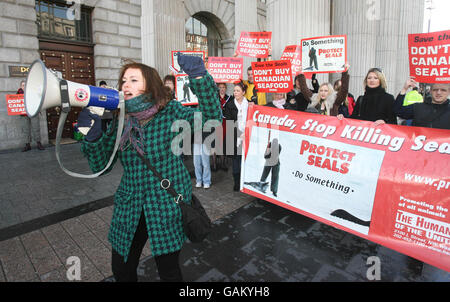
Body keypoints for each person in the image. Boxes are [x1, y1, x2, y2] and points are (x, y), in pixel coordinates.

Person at [77, 54, 221, 282]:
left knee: (169, 271)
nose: (126, 85)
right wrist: (93, 139)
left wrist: (199, 77)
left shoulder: (171, 112)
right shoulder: (120, 119)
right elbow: (101, 166)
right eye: (123, 80)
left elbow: (212, 118)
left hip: (165, 204)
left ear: (150, 84)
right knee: (122, 269)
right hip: (131, 204)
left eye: (133, 80)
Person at [223, 81, 251, 191]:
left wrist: (246, 133)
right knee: (236, 160)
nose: (235, 92)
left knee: (246, 159)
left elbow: (251, 119)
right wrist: (240, 134)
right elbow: (230, 123)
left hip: (247, 135)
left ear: (243, 92)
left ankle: (245, 181)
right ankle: (237, 182)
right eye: (234, 90)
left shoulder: (249, 104)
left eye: (238, 91)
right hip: (235, 137)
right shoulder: (230, 105)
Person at [18, 80, 45, 151]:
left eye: (25, 85)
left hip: (33, 112)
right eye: (23, 85)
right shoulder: (18, 93)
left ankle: (39, 143)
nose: (24, 86)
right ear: (21, 86)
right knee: (25, 129)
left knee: (36, 128)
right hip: (23, 114)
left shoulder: (32, 92)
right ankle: (27, 145)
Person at [213, 82, 230, 172]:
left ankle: (223, 163)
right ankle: (215, 163)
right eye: (220, 87)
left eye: (223, 87)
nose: (222, 89)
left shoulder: (229, 98)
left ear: (226, 88)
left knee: (224, 142)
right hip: (216, 122)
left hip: (225, 122)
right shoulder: (214, 98)